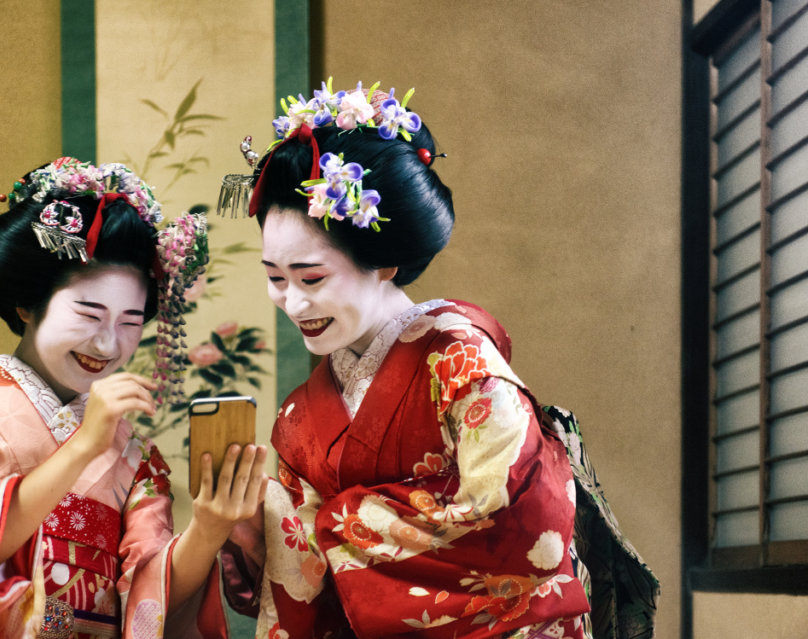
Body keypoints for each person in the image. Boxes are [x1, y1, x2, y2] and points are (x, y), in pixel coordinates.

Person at [218, 81, 659, 639]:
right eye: (275, 278)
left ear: (385, 261)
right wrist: (254, 536)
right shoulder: (300, 418)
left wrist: (331, 527)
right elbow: (298, 581)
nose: (292, 301)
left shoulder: (459, 357)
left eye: (311, 277)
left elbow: (524, 520)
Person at [0, 158, 268, 639]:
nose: (108, 345)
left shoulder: (134, 454)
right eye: (89, 313)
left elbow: (150, 595)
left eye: (130, 322)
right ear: (26, 304)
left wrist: (209, 529)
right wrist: (84, 447)